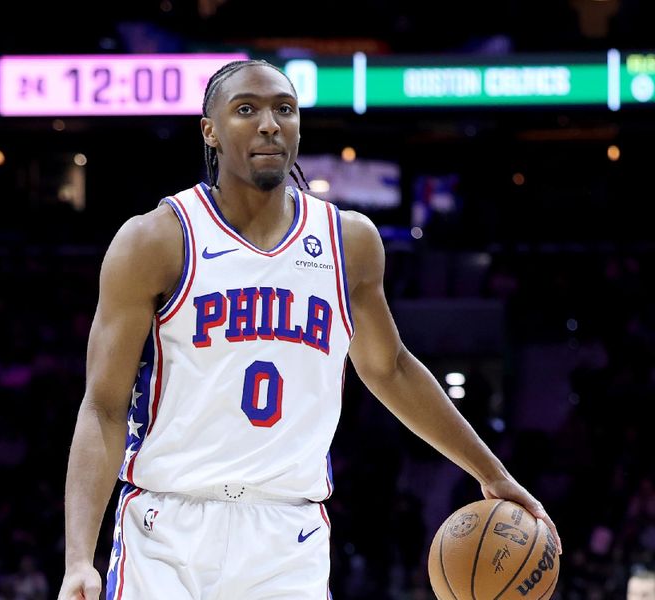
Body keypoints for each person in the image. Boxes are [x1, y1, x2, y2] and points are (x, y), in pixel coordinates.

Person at [57, 58, 562, 600]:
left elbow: (389, 368)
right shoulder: (155, 240)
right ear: (209, 130)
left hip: (287, 535)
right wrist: (79, 558)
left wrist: (491, 472)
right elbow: (103, 407)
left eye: (285, 109)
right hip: (166, 526)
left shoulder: (349, 241)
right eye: (245, 110)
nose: (269, 124)